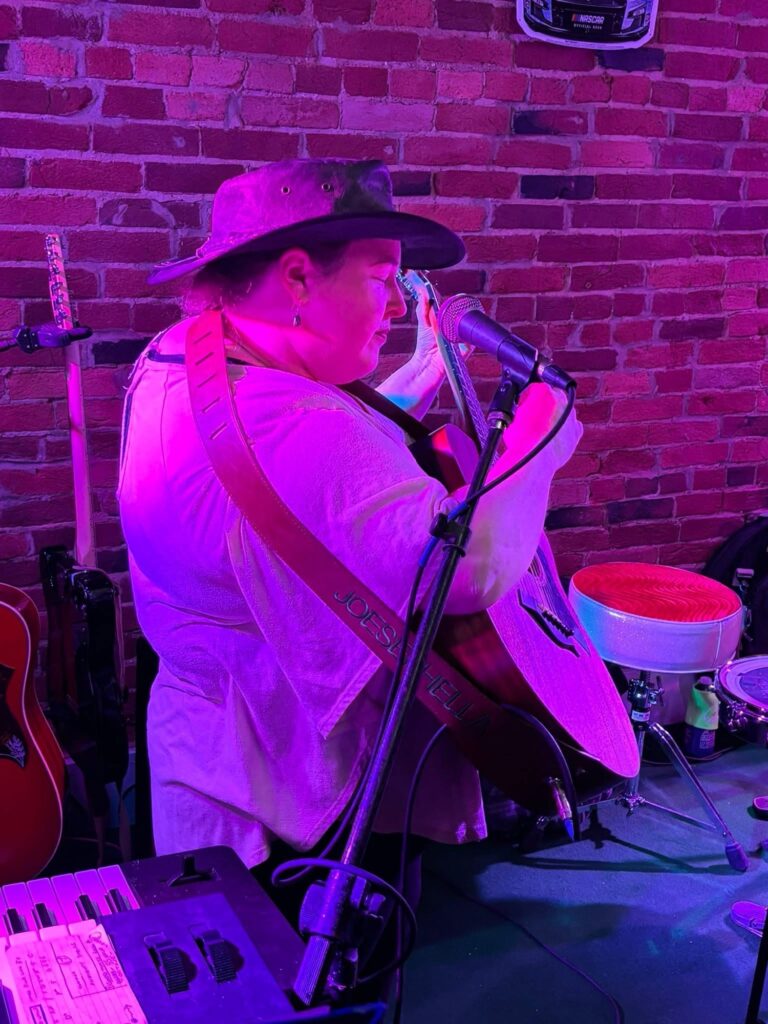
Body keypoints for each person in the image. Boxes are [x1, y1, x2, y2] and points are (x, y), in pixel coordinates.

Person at [117, 158, 582, 979]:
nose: (399, 304)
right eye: (382, 278)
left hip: (211, 755)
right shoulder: (298, 426)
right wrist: (539, 439)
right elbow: (468, 571)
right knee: (334, 987)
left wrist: (422, 370)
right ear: (298, 276)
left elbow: (299, 485)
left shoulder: (183, 356)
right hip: (296, 799)